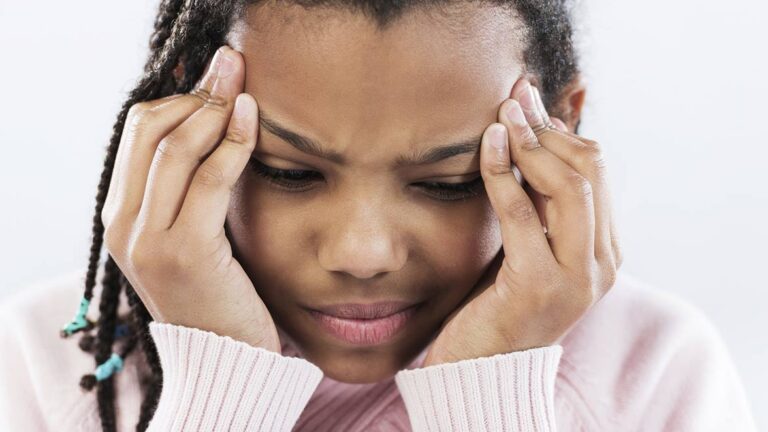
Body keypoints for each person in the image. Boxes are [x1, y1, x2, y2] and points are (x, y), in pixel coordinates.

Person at [0, 0, 758, 431]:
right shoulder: (45, 366)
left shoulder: (658, 375)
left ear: (562, 126)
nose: (361, 253)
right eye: (288, 172)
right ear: (182, 118)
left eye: (451, 181)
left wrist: (489, 390)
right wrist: (218, 381)